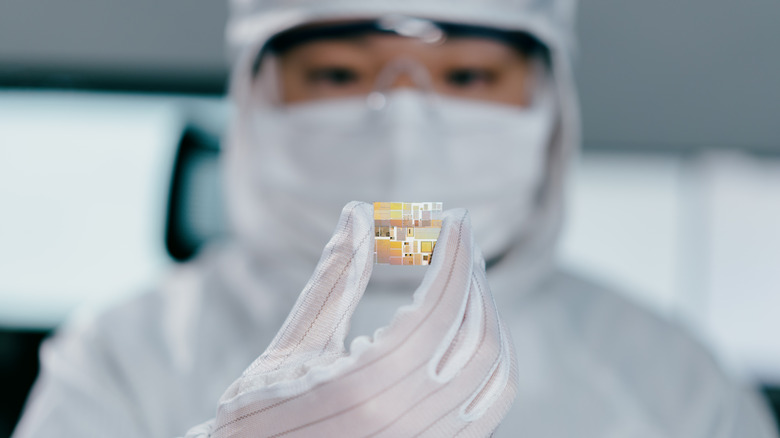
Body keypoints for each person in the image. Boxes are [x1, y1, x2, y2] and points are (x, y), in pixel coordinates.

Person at [13, 0, 778, 437]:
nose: (405, 125)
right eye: (339, 73)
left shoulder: (677, 384)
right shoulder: (122, 359)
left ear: (550, 104)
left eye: (468, 75)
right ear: (255, 95)